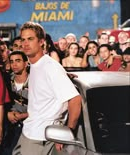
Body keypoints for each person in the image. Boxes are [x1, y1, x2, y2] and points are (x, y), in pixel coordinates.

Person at [12, 21, 82, 155]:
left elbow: (75, 100)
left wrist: (67, 132)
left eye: (30, 39)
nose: (25, 44)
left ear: (41, 42)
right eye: (23, 39)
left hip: (41, 138)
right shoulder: (36, 65)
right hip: (30, 131)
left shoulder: (51, 67)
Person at [3, 51, 29, 155]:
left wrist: (23, 115)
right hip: (10, 126)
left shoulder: (36, 80)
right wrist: (7, 114)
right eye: (12, 61)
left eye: (18, 61)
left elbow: (44, 106)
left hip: (30, 125)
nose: (14, 64)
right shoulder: (6, 80)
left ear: (26, 63)